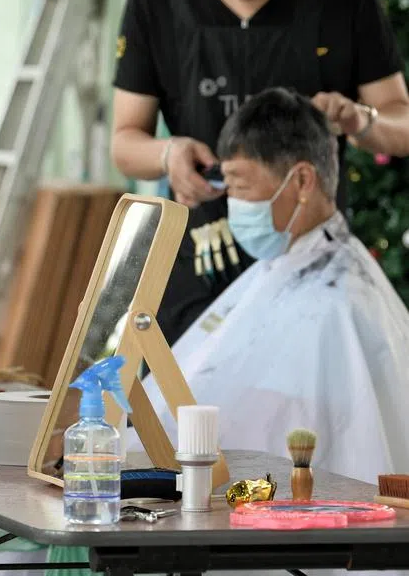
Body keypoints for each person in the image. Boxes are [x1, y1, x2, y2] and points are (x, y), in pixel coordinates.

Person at [110, 0, 409, 346]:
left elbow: (401, 126)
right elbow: (124, 142)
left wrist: (363, 120)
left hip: (313, 264)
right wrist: (168, 153)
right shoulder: (155, 4)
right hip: (199, 257)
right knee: (183, 407)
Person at [142, 88, 409, 483]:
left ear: (302, 180)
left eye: (240, 186)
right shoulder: (277, 268)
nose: (233, 203)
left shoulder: (342, 303)